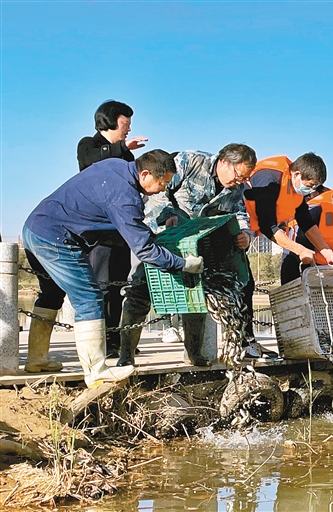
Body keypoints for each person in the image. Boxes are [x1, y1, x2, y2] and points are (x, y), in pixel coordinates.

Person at [22, 149, 203, 387]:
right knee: (89, 297)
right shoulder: (125, 197)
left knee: (52, 294)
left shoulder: (116, 166)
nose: (162, 189)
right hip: (55, 238)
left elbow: (130, 228)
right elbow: (145, 251)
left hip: (34, 227)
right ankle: (95, 370)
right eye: (162, 182)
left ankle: (36, 358)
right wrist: (183, 264)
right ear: (146, 173)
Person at [118, 144, 258, 367]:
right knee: (139, 292)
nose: (239, 181)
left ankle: (195, 353)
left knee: (196, 295)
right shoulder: (191, 161)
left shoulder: (235, 189)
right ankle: (125, 355)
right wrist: (167, 214)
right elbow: (159, 186)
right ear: (223, 162)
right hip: (161, 239)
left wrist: (246, 235)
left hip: (196, 246)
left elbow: (240, 213)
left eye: (245, 178)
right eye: (238, 175)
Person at [76, 100, 148, 357]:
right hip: (98, 231)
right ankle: (100, 343)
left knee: (118, 285)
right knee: (101, 286)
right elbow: (91, 163)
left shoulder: (125, 152)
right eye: (125, 123)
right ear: (110, 120)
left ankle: (117, 341)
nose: (128, 128)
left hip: (120, 228)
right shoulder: (88, 144)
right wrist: (122, 148)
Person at [243, 153, 333, 285]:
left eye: (315, 187)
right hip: (236, 223)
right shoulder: (268, 180)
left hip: (249, 233)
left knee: (246, 283)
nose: (311, 191)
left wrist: (327, 253)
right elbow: (268, 226)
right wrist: (300, 250)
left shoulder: (296, 192)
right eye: (310, 185)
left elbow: (307, 224)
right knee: (243, 283)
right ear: (296, 175)